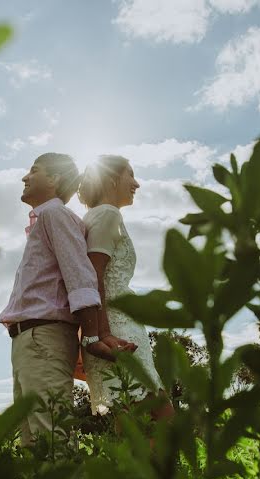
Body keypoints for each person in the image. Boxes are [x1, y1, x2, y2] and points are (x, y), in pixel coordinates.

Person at [0, 152, 134, 445]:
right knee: (33, 440)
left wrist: (92, 337)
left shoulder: (55, 214)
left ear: (54, 179)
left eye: (33, 171)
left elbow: (80, 274)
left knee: (49, 437)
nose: (25, 177)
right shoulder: (46, 218)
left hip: (43, 335)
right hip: (28, 339)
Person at [78, 155, 175, 419]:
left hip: (109, 325)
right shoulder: (108, 214)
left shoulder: (94, 216)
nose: (136, 183)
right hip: (116, 328)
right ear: (111, 179)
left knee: (132, 419)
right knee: (160, 417)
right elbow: (92, 275)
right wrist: (103, 333)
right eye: (130, 175)